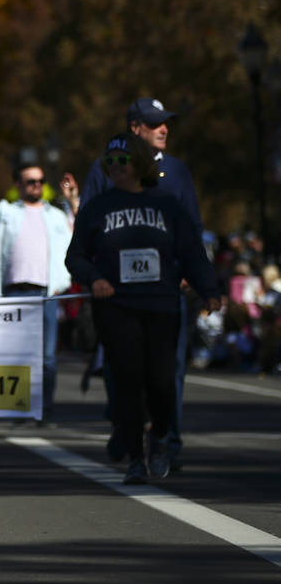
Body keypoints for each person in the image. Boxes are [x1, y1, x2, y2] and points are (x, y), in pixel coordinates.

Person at [66, 134, 219, 484]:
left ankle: (161, 436)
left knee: (163, 383)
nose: (116, 169)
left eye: (123, 161)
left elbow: (193, 252)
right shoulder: (97, 208)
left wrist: (209, 289)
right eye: (110, 163)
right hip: (117, 307)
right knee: (128, 383)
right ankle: (136, 458)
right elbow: (74, 256)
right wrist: (94, 279)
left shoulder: (167, 206)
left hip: (161, 305)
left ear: (140, 164)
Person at [0, 146, 73, 422]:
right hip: (13, 292)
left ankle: (45, 411)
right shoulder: (8, 212)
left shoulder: (55, 216)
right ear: (19, 185)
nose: (36, 186)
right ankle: (22, 409)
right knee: (19, 356)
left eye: (40, 181)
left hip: (46, 293)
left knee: (47, 357)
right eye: (31, 181)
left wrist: (72, 201)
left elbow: (76, 234)